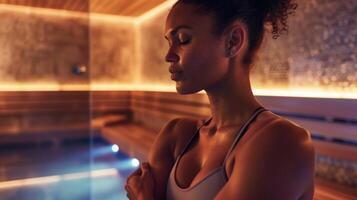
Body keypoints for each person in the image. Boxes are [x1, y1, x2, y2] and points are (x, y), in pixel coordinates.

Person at [125, 0, 315, 199]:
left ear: (233, 41)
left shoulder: (282, 142)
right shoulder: (175, 136)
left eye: (183, 39)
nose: (168, 56)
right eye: (169, 42)